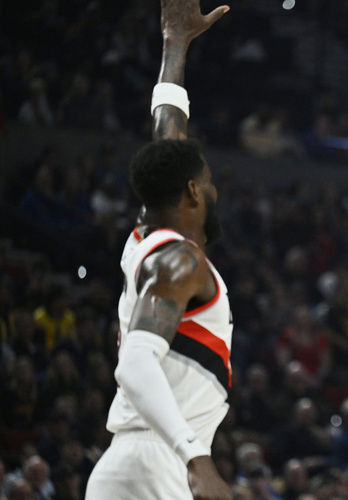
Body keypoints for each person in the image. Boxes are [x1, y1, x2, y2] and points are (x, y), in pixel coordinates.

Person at [85, 1, 233, 499]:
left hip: (132, 462)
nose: (214, 191)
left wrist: (175, 46)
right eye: (208, 184)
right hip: (158, 464)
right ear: (192, 192)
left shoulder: (149, 241)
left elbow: (167, 137)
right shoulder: (179, 260)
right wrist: (197, 457)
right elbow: (135, 363)